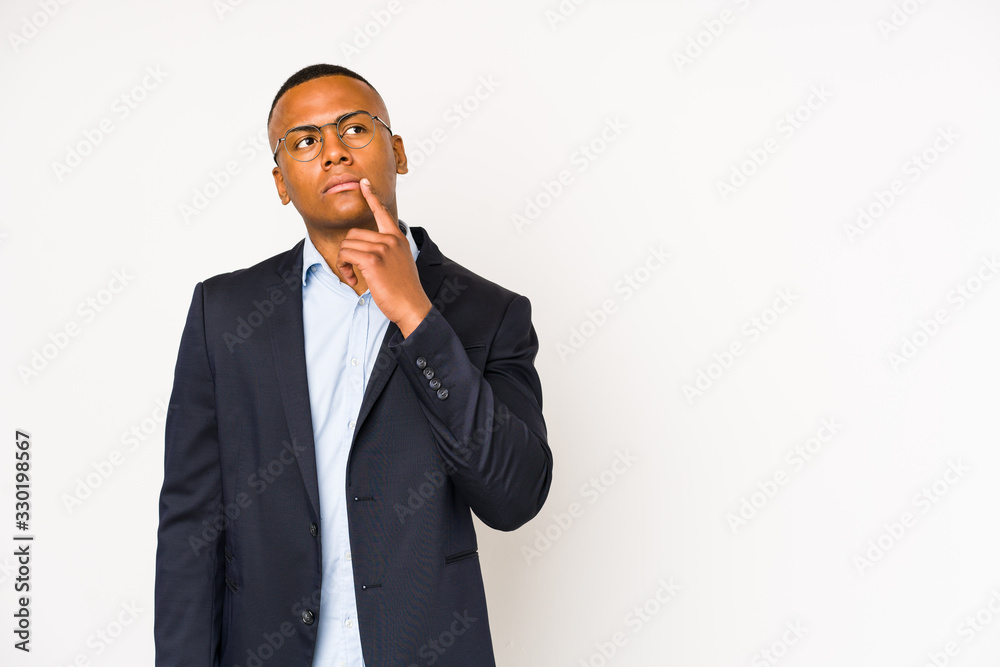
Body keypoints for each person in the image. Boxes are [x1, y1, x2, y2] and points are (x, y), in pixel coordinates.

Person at [153, 64, 553, 666]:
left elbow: (514, 498)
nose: (334, 151)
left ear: (398, 152)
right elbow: (191, 524)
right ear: (281, 182)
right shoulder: (225, 312)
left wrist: (417, 316)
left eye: (355, 129)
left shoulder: (490, 313)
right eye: (305, 141)